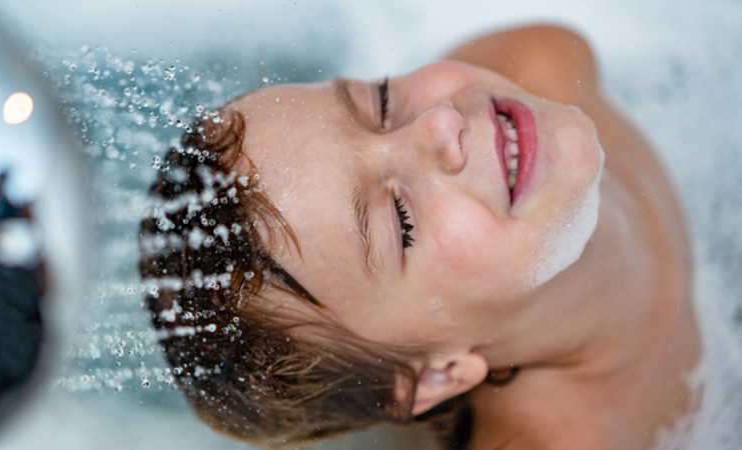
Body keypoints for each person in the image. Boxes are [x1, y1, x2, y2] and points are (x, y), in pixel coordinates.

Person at [137, 24, 701, 449]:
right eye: (401, 223)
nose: (439, 124)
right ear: (440, 374)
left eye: (380, 104)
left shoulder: (540, 58)